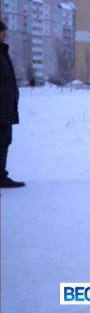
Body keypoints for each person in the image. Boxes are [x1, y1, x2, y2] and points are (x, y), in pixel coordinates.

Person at [0, 20, 24, 188]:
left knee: (4, 142)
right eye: (2, 32)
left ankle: (1, 176)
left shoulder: (3, 52)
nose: (5, 34)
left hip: (6, 108)